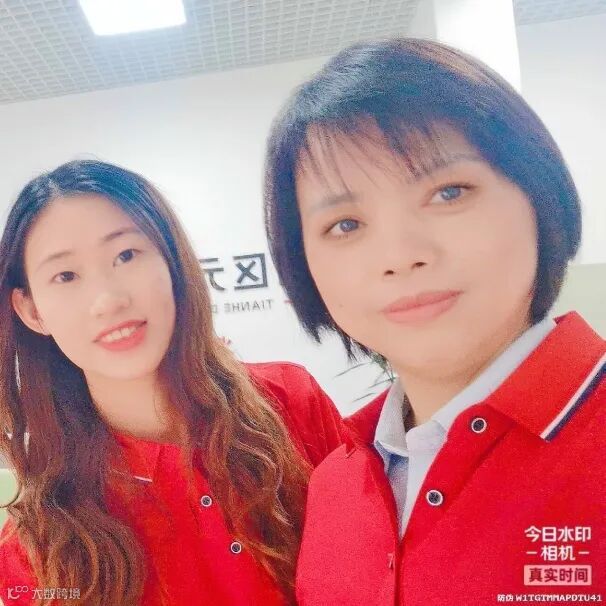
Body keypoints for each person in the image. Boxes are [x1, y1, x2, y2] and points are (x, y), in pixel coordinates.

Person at [264, 38, 605, 604]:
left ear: (539, 195)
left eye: (448, 192)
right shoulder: (336, 481)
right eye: (345, 225)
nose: (399, 256)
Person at [0, 160, 344, 606]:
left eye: (126, 255)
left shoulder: (288, 399)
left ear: (171, 260)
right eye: (66, 276)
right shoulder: (35, 546)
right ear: (32, 311)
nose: (108, 300)